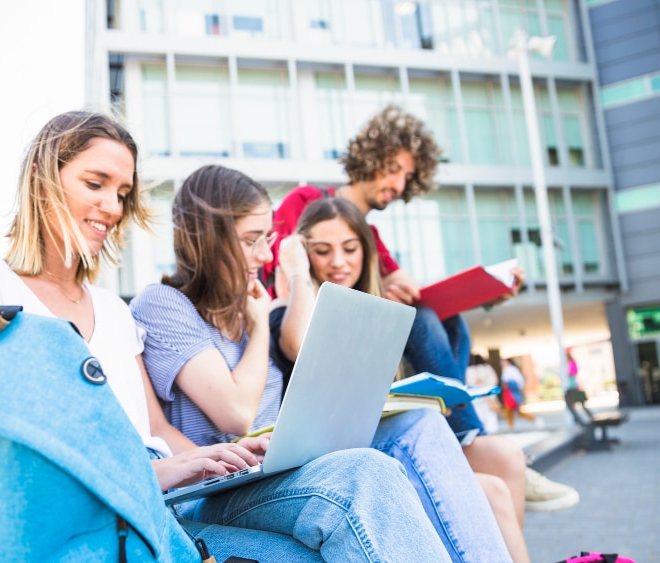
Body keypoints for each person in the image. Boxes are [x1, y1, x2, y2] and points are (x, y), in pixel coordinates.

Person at [0, 111, 450, 561]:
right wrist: (150, 474)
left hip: (157, 506)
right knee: (360, 481)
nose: (113, 207)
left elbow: (154, 428)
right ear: (42, 179)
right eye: (96, 184)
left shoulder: (115, 311)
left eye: (122, 192)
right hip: (91, 517)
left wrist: (216, 462)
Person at [131, 164, 513, 562]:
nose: (264, 255)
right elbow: (236, 414)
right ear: (207, 241)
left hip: (279, 466)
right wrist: (260, 323)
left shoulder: (248, 304)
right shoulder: (165, 304)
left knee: (420, 424)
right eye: (251, 240)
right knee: (365, 474)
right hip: (218, 490)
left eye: (267, 239)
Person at [264, 104, 579, 517]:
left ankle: (465, 434)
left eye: (408, 176)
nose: (398, 182)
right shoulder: (307, 200)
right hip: (307, 325)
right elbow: (283, 266)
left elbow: (407, 290)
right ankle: (469, 435)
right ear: (370, 157)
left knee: (448, 321)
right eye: (393, 167)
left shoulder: (373, 237)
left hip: (362, 338)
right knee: (427, 319)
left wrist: (486, 293)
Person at [272, 197, 530, 563]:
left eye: (350, 248)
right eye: (322, 251)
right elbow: (297, 344)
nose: (339, 262)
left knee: (506, 457)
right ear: (303, 251)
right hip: (342, 453)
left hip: (396, 432)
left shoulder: (379, 305)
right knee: (492, 494)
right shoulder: (293, 304)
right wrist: (296, 270)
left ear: (366, 248)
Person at [500, 358, 542, 431]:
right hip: (508, 392)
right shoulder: (506, 370)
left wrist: (512, 387)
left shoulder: (512, 369)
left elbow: (519, 382)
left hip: (512, 392)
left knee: (513, 410)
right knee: (510, 411)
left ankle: (535, 419)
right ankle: (511, 426)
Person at [466, 355, 501, 434]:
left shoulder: (467, 370)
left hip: (475, 398)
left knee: (479, 418)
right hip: (488, 397)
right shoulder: (488, 368)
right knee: (490, 420)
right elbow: (494, 381)